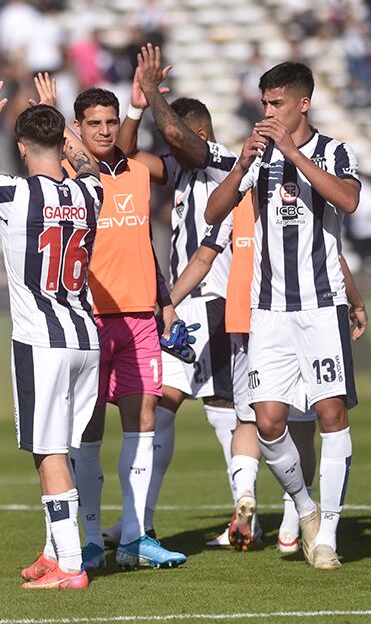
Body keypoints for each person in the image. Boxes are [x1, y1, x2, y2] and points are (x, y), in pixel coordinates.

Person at [0, 81, 102, 590]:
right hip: (86, 337)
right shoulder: (90, 192)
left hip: (41, 340)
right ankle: (58, 553)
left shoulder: (15, 191)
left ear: (21, 147)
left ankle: (72, 566)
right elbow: (92, 167)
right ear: (63, 142)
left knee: (48, 451)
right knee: (61, 449)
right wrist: (56, 118)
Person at [204, 62, 360, 570]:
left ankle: (328, 536)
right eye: (264, 104)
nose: (267, 113)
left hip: (319, 306)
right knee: (268, 422)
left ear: (302, 104)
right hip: (267, 309)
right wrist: (240, 166)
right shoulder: (257, 156)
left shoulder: (333, 150)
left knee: (330, 415)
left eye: (276, 104)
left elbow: (349, 199)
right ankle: (307, 508)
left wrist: (293, 154)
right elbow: (213, 212)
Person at [106, 44, 259, 549]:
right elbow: (125, 155)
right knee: (183, 408)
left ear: (202, 135)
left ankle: (163, 516)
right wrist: (133, 108)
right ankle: (150, 522)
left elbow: (171, 133)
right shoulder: (178, 170)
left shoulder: (226, 167)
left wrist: (150, 92)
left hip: (211, 300)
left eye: (179, 143)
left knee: (196, 408)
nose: (169, 152)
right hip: (192, 302)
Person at [50, 73, 188, 570]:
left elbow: (144, 241)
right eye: (95, 123)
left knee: (143, 423)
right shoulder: (66, 178)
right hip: (88, 321)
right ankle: (90, 540)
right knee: (88, 433)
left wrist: (163, 296)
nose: (105, 131)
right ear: (78, 128)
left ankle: (134, 537)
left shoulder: (139, 170)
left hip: (140, 319)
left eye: (111, 122)